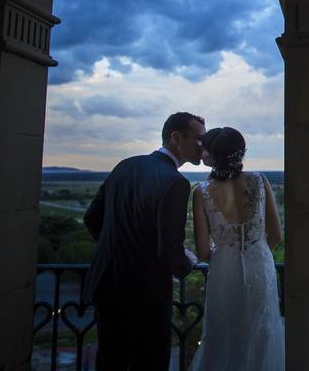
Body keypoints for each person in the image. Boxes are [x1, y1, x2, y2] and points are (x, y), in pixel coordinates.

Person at [82, 112, 206, 369]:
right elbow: (169, 248)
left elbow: (92, 218)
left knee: (110, 361)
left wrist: (119, 250)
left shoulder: (125, 165)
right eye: (199, 139)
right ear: (176, 137)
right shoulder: (176, 182)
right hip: (146, 295)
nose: (203, 146)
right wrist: (188, 262)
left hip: (107, 284)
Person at [189, 127, 285, 370]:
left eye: (205, 149)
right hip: (259, 266)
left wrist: (227, 256)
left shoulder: (201, 192)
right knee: (261, 330)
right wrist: (255, 250)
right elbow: (276, 234)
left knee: (224, 335)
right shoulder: (260, 180)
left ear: (212, 156)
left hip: (224, 270)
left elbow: (202, 252)